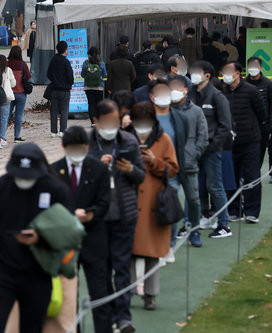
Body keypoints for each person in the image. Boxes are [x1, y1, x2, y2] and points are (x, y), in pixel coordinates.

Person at [0, 143, 71, 333]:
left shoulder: (56, 190)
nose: (24, 180)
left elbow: (67, 231)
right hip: (2, 271)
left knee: (33, 326)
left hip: (39, 271)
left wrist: (41, 239)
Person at [89, 100, 145, 333]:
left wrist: (130, 170)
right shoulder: (87, 145)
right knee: (102, 269)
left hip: (125, 213)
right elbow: (79, 181)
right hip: (98, 218)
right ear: (97, 122)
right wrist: (95, 166)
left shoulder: (129, 141)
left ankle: (123, 317)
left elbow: (140, 176)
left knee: (122, 266)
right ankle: (107, 315)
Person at [51, 126, 112, 333]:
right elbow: (51, 207)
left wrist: (90, 214)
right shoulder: (53, 171)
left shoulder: (99, 169)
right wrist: (70, 216)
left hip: (94, 238)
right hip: (66, 243)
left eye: (81, 147)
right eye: (73, 148)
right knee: (69, 297)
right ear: (64, 147)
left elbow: (105, 202)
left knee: (100, 293)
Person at [128, 101, 179, 311]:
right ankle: (127, 291)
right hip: (129, 201)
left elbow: (173, 169)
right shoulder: (125, 137)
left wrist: (154, 160)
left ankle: (150, 295)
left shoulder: (163, 139)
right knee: (128, 251)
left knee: (152, 253)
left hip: (154, 203)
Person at [148, 78, 201, 247]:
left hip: (181, 165)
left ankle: (193, 232)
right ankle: (166, 243)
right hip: (157, 168)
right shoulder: (147, 119)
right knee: (165, 204)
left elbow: (184, 140)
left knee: (191, 201)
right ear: (152, 97)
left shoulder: (179, 117)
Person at [188, 60, 233, 236]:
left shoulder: (217, 96)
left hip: (212, 150)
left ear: (207, 75)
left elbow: (225, 125)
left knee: (215, 186)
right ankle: (201, 217)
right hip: (193, 149)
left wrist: (213, 145)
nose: (193, 75)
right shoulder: (190, 95)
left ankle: (224, 224)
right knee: (196, 186)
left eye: (197, 71)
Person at [169, 77, 214, 243]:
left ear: (185, 90)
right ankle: (170, 238)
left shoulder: (196, 111)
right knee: (171, 201)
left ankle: (194, 230)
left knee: (193, 201)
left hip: (189, 164)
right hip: (169, 166)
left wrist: (194, 154)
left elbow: (203, 137)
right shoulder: (164, 111)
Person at [222, 61, 267, 223]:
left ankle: (252, 212)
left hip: (250, 141)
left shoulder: (251, 91)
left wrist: (259, 132)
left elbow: (262, 114)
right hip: (230, 142)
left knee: (252, 176)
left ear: (238, 74)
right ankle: (233, 210)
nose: (226, 74)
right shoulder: (223, 91)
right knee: (230, 176)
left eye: (229, 71)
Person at [246, 56, 272, 173]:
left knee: (260, 152)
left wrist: (269, 123)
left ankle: (255, 175)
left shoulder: (268, 84)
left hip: (263, 125)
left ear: (261, 67)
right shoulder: (243, 84)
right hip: (246, 126)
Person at [47, 41, 74, 137]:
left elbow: (48, 74)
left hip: (54, 89)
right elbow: (70, 76)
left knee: (54, 111)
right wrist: (70, 82)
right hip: (65, 90)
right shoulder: (66, 62)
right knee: (64, 110)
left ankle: (53, 131)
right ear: (65, 50)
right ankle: (62, 130)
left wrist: (54, 80)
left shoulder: (53, 60)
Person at [7, 46, 31, 142]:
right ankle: (17, 136)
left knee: (6, 115)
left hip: (9, 94)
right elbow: (28, 77)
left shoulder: (7, 64)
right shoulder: (23, 64)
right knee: (19, 115)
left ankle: (1, 137)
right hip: (21, 93)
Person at [82, 46, 107, 126]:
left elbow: (82, 75)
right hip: (99, 87)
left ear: (89, 54)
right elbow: (104, 75)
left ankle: (93, 122)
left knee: (91, 104)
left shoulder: (86, 63)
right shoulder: (101, 63)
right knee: (99, 104)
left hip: (88, 87)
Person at [0, 54, 16, 147]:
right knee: (4, 117)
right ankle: (2, 137)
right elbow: (13, 83)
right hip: (6, 96)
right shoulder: (8, 70)